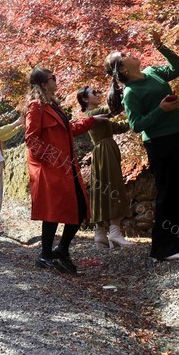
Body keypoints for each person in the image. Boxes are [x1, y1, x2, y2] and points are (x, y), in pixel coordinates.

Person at [105, 31, 179, 262]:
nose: (128, 52)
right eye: (123, 55)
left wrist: (160, 45)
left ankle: (176, 243)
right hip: (159, 143)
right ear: (122, 69)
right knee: (168, 192)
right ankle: (161, 250)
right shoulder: (131, 93)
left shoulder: (152, 73)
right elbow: (136, 124)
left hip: (178, 135)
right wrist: (161, 109)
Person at [25, 67, 104, 273]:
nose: (56, 80)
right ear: (44, 84)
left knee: (79, 209)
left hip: (67, 169)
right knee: (52, 212)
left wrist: (92, 120)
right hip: (52, 169)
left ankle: (61, 250)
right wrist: (53, 160)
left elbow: (70, 130)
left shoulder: (53, 106)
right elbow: (31, 140)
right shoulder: (36, 107)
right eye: (53, 78)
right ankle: (44, 255)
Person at [76, 85, 134, 248]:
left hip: (103, 152)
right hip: (106, 151)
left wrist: (135, 115)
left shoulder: (98, 116)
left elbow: (120, 127)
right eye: (94, 92)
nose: (97, 93)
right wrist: (127, 96)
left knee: (101, 190)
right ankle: (114, 232)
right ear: (85, 99)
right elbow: (112, 109)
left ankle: (100, 233)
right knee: (114, 187)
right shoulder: (92, 114)